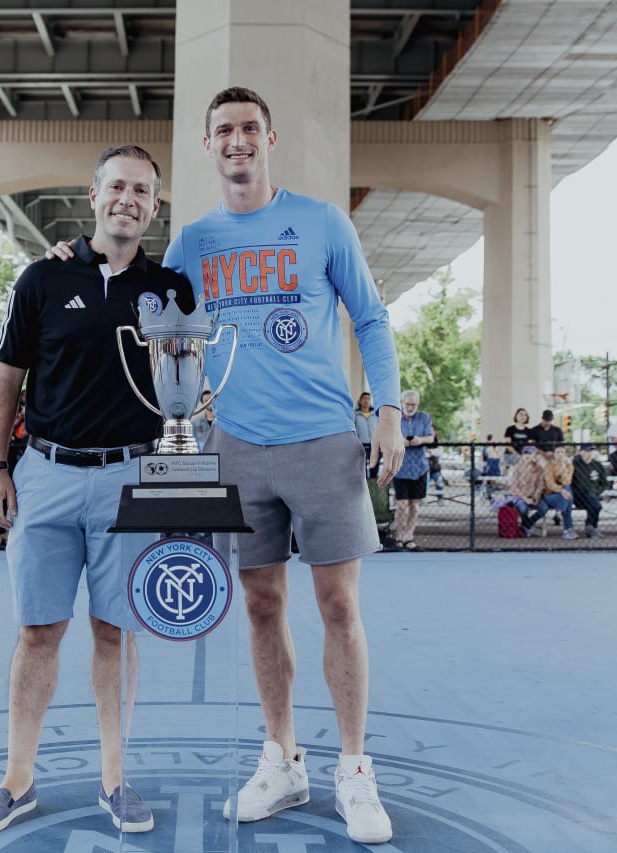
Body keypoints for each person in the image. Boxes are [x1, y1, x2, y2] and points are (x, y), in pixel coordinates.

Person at [161, 87, 404, 845]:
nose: (237, 141)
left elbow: (369, 315)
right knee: (261, 603)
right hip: (235, 444)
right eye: (224, 131)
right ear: (209, 145)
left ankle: (356, 768)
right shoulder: (192, 243)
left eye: (249, 129)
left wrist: (388, 410)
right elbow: (152, 321)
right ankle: (283, 758)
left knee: (338, 605)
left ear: (272, 137)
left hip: (325, 439)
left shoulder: (322, 221)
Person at [0, 144, 196, 838]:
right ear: (93, 196)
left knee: (114, 630)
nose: (129, 198)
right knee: (38, 630)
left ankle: (115, 777)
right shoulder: (41, 278)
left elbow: (187, 386)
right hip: (46, 474)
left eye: (144, 190)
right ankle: (17, 777)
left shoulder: (172, 290)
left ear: (155, 207)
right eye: (117, 186)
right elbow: (5, 378)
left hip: (132, 474)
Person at [392, 391, 433, 552]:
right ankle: (398, 536)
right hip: (400, 467)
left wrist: (419, 440)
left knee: (414, 505)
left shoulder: (424, 417)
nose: (411, 407)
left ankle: (409, 536)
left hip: (419, 468)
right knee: (401, 505)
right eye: (408, 404)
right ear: (402, 403)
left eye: (414, 405)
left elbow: (430, 438)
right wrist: (400, 442)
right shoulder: (395, 417)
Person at [355, 392, 393, 537]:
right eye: (364, 399)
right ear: (360, 400)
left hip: (374, 448)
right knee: (361, 474)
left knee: (374, 473)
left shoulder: (375, 415)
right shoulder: (355, 415)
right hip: (361, 448)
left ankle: (375, 501)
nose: (366, 401)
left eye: (368, 399)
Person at [538, 445, 577, 539]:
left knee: (567, 490)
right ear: (554, 454)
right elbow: (550, 484)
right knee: (567, 495)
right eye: (558, 452)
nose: (560, 455)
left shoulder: (569, 466)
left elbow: (567, 481)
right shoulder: (549, 465)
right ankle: (568, 529)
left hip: (563, 496)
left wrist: (563, 467)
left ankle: (561, 510)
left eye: (562, 452)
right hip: (550, 495)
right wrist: (562, 490)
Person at [508, 444, 547, 533]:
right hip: (521, 497)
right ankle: (526, 528)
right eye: (525, 454)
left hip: (533, 496)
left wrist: (535, 497)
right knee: (523, 508)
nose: (527, 456)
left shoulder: (539, 468)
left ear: (534, 455)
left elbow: (540, 485)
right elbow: (514, 486)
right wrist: (525, 499)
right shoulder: (517, 468)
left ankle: (527, 525)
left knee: (544, 508)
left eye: (530, 454)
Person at [572, 443, 607, 538]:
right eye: (587, 451)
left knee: (594, 503)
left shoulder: (597, 465)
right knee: (596, 505)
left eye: (591, 451)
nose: (589, 453)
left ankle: (590, 527)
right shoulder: (575, 465)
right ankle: (591, 527)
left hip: (593, 495)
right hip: (579, 496)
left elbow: (604, 483)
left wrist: (597, 491)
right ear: (581, 452)